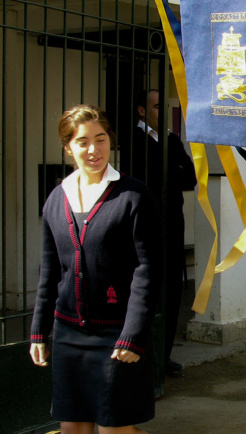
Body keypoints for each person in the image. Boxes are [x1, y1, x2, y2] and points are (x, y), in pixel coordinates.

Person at [30, 104, 160, 432]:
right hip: (69, 333)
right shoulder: (56, 200)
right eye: (83, 142)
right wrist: (38, 331)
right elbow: (50, 270)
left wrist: (134, 335)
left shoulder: (133, 196)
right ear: (68, 147)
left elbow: (147, 269)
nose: (93, 150)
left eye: (100, 139)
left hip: (116, 333)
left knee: (113, 428)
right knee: (72, 428)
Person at [119, 89, 197, 374]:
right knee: (146, 290)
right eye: (155, 107)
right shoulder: (133, 140)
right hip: (145, 225)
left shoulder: (171, 139)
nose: (161, 111)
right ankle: (142, 356)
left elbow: (190, 177)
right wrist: (171, 169)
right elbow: (143, 177)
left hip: (173, 225)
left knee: (172, 290)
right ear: (142, 111)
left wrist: (169, 170)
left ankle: (163, 356)